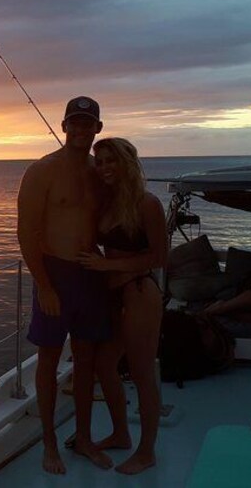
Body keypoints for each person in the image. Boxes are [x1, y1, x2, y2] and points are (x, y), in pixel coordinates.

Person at [17, 96, 112, 474]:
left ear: (98, 129)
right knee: (49, 361)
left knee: (86, 361)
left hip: (91, 276)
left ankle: (85, 439)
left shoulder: (99, 171)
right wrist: (44, 286)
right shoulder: (41, 171)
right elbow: (26, 234)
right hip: (54, 275)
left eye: (87, 124)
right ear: (63, 126)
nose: (80, 130)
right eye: (74, 123)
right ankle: (50, 445)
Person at [76, 137, 168, 475]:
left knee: (142, 374)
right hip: (111, 295)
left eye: (110, 161)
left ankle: (147, 451)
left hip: (139, 293)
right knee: (104, 364)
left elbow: (159, 257)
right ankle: (120, 433)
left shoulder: (147, 204)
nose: (104, 168)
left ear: (128, 162)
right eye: (99, 163)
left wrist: (107, 266)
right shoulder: (108, 204)